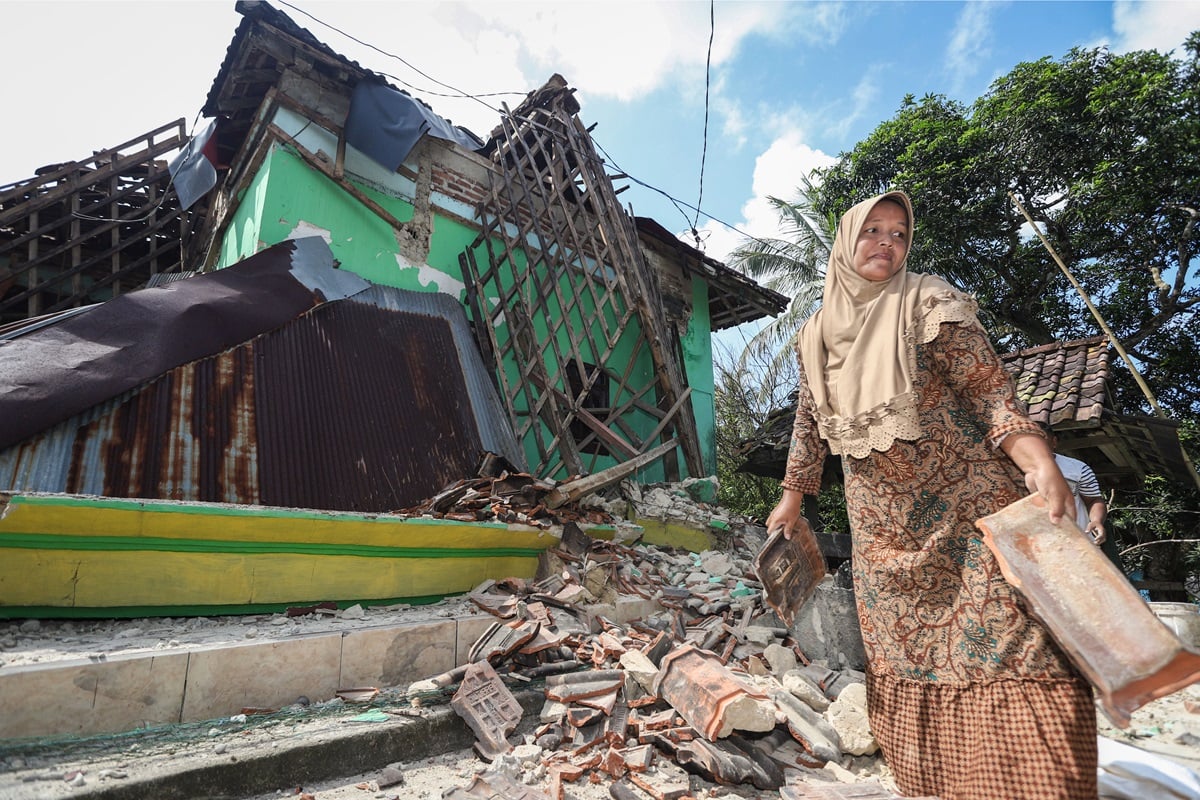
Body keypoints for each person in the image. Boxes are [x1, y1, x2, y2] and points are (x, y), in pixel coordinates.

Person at [765, 191, 1097, 800]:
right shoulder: (815, 334)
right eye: (872, 231)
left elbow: (990, 389)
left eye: (897, 232)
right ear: (846, 242)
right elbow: (809, 424)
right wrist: (793, 495)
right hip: (881, 530)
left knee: (1016, 639)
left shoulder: (927, 301)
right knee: (907, 650)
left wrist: (1036, 459)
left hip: (970, 510)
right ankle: (944, 786)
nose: (886, 243)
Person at [1040, 422, 1108, 545]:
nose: (1037, 445)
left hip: (1079, 543)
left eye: (1042, 439)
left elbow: (1093, 500)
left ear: (1054, 442)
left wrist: (1096, 520)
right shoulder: (1011, 471)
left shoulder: (1078, 468)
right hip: (1037, 547)